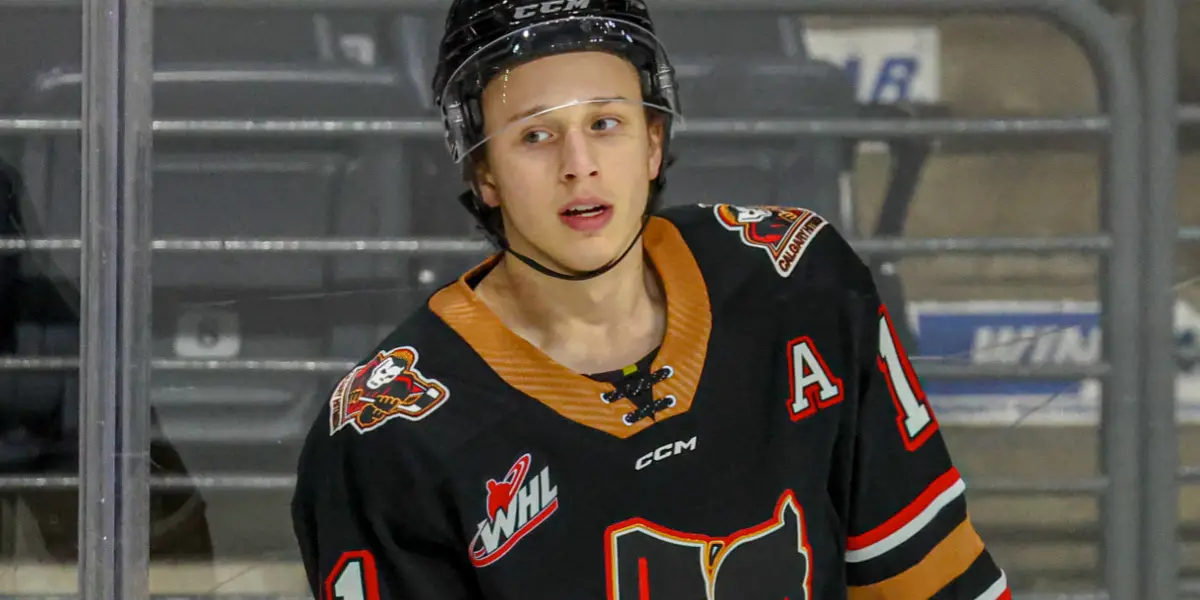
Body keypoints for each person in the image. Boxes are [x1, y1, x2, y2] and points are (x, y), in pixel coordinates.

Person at [291, 0, 1010, 598]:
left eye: (605, 123)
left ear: (653, 142)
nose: (579, 166)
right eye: (536, 135)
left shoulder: (800, 281)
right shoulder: (389, 434)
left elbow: (931, 581)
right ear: (484, 174)